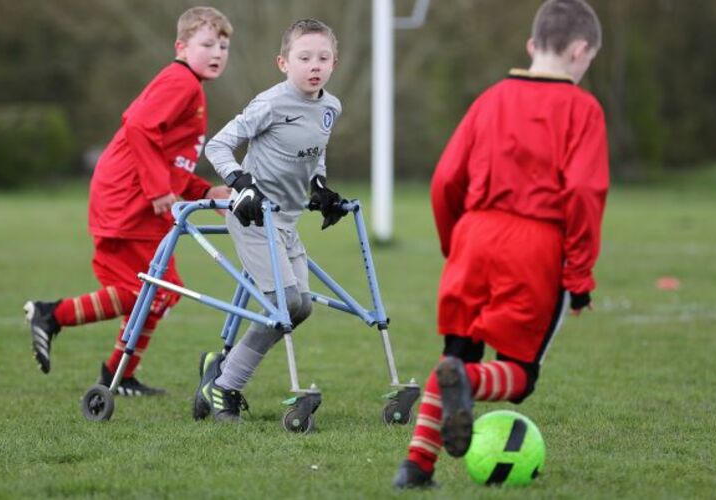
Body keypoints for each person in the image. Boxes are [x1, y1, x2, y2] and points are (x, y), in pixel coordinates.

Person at [393, 0, 610, 488]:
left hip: (473, 235)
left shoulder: (490, 98)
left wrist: (457, 244)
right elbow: (582, 191)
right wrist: (579, 277)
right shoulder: (582, 108)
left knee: (457, 353)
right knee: (519, 374)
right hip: (534, 243)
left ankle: (415, 468)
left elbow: (445, 179)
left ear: (532, 46)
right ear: (580, 50)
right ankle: (467, 385)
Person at [23, 7, 233, 396]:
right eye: (207, 43)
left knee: (161, 292)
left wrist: (205, 191)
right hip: (129, 199)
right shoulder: (181, 82)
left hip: (140, 199)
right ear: (181, 46)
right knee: (152, 291)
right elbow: (138, 127)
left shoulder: (191, 88)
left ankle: (118, 375)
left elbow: (170, 161)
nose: (217, 52)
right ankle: (53, 315)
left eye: (223, 45)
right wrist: (156, 190)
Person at [193, 18, 345, 423]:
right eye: (304, 57)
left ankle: (220, 369)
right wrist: (240, 183)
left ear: (334, 63)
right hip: (253, 217)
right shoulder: (271, 103)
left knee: (302, 307)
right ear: (283, 62)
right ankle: (225, 387)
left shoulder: (331, 107)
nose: (314, 65)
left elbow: (316, 152)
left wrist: (320, 187)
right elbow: (218, 145)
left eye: (323, 58)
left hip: (288, 222)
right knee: (283, 303)